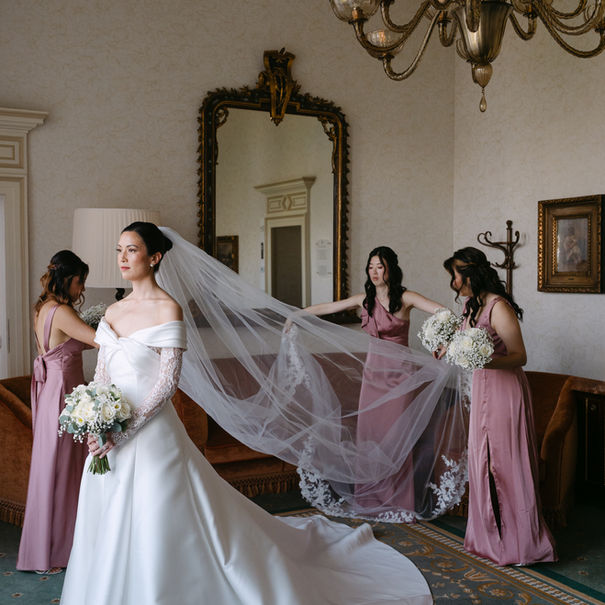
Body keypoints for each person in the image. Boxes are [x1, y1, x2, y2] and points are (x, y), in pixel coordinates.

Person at [60, 222, 434, 605]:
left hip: (150, 434)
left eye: (132, 250)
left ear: (154, 257)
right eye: (118, 250)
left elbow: (166, 383)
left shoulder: (168, 308)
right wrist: (96, 422)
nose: (122, 258)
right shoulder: (114, 312)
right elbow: (102, 373)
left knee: (159, 521)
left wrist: (124, 429)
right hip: (106, 438)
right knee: (106, 516)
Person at [302, 246, 446, 518]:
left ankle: (399, 502)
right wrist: (296, 315)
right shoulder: (364, 299)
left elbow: (443, 312)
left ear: (390, 268)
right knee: (371, 438)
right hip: (372, 376)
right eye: (371, 267)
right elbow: (329, 307)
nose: (374, 272)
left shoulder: (406, 297)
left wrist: (443, 342)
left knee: (396, 439)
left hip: (400, 377)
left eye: (379, 266)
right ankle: (371, 500)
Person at [443, 247, 556, 566]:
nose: (453, 282)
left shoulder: (498, 306)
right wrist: (449, 350)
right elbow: (464, 345)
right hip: (481, 390)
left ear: (470, 274)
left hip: (505, 391)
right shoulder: (470, 306)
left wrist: (483, 359)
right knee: (482, 462)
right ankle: (488, 538)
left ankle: (520, 544)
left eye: (455, 275)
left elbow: (520, 356)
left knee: (505, 464)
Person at [17, 251, 98, 574]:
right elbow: (99, 341)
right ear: (67, 280)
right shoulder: (62, 312)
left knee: (55, 468)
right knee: (63, 470)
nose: (82, 290)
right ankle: (56, 550)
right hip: (64, 396)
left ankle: (51, 546)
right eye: (80, 282)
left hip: (52, 393)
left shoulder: (43, 308)